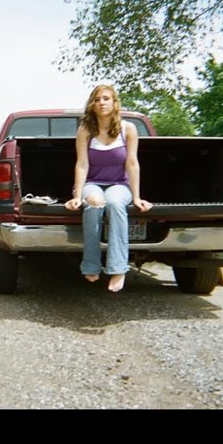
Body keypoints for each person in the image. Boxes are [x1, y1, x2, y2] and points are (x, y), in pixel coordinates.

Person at [64, 84, 153, 292]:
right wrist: (78, 195)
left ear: (114, 102)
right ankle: (91, 265)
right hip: (92, 183)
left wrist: (137, 197)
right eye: (97, 100)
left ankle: (118, 268)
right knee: (95, 202)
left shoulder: (128, 129)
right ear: (92, 105)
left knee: (114, 203)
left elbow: (132, 163)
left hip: (119, 184)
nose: (101, 103)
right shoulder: (85, 130)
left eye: (106, 98)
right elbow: (82, 164)